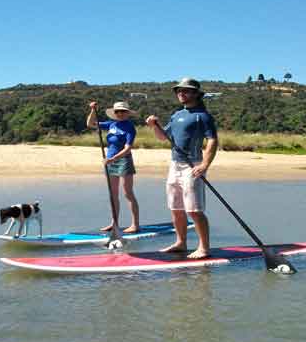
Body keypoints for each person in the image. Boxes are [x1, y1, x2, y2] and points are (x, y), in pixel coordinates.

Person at [145, 78, 218, 259]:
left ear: (195, 94)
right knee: (176, 208)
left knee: (193, 209)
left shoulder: (203, 116)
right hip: (174, 165)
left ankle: (204, 248)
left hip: (192, 166)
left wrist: (204, 165)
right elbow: (163, 137)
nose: (181, 94)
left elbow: (212, 140)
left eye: (185, 91)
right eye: (179, 91)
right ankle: (180, 242)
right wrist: (155, 126)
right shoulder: (176, 115)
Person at [86, 101, 141, 233]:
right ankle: (114, 223)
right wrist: (93, 110)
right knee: (113, 194)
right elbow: (89, 124)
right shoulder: (111, 124)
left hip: (123, 160)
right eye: (117, 112)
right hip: (109, 161)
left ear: (127, 113)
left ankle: (135, 224)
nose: (120, 114)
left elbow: (128, 148)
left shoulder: (129, 127)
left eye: (123, 111)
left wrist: (113, 158)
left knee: (128, 193)